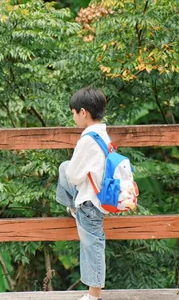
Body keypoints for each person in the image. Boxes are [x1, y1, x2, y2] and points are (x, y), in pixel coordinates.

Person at [56, 87, 109, 300]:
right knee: (63, 166)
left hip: (89, 202)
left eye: (73, 113)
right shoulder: (103, 135)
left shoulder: (87, 140)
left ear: (83, 112)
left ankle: (94, 295)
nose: (73, 117)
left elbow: (73, 176)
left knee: (92, 246)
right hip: (98, 198)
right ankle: (72, 207)